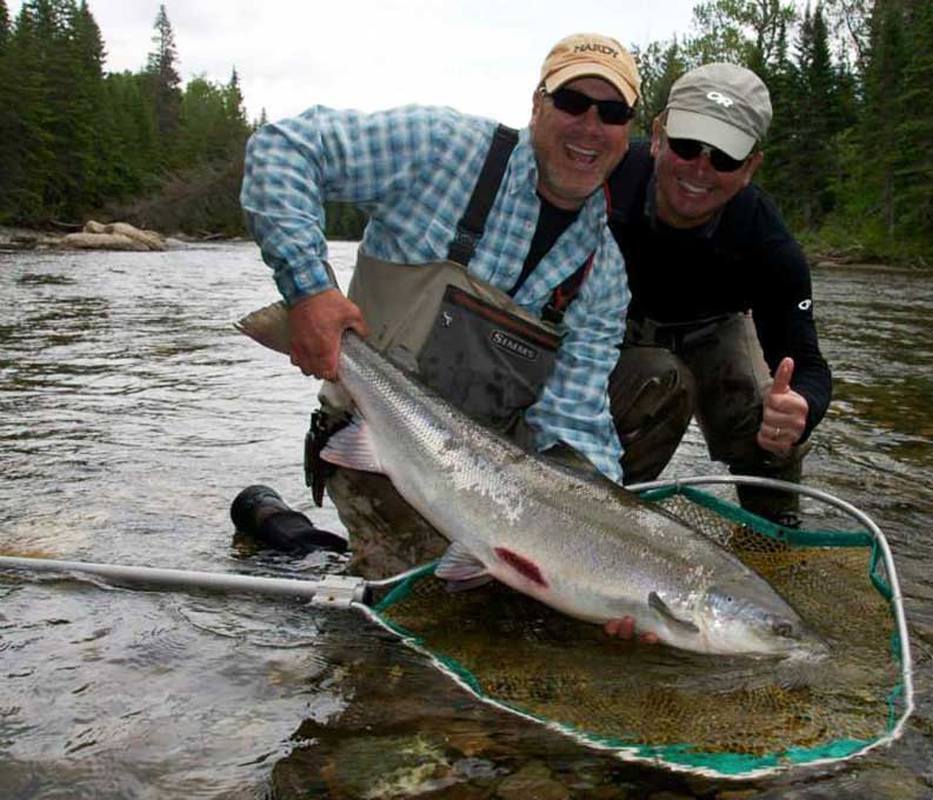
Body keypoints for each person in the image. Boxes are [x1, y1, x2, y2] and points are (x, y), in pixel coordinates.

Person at [239, 33, 641, 578]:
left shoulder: (604, 271)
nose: (590, 127)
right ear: (537, 104)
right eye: (573, 102)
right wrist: (309, 291)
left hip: (496, 469)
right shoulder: (444, 148)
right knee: (426, 600)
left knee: (526, 588)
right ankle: (287, 534)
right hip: (374, 431)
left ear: (627, 131)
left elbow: (572, 420)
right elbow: (283, 149)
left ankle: (289, 527)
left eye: (612, 113)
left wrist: (609, 552)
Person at [605, 62, 833, 529]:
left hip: (714, 329)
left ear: (750, 168)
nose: (700, 169)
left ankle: (773, 542)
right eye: (687, 146)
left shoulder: (769, 244)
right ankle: (598, 517)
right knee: (660, 381)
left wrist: (801, 411)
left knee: (768, 411)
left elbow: (807, 365)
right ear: (658, 136)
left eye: (725, 157)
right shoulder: (606, 181)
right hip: (612, 330)